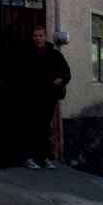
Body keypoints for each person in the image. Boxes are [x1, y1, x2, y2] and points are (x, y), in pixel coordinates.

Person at [21, 26, 71, 170]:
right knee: (29, 127)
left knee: (43, 128)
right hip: (29, 98)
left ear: (45, 37)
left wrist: (61, 80)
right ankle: (27, 158)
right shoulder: (26, 53)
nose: (38, 38)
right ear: (32, 37)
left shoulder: (54, 55)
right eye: (35, 36)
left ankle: (43, 158)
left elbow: (66, 72)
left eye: (40, 36)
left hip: (47, 98)